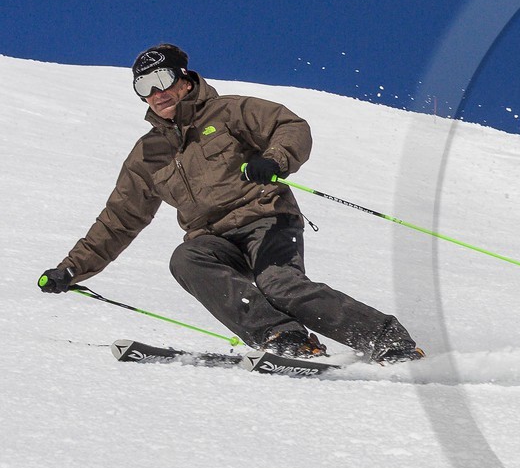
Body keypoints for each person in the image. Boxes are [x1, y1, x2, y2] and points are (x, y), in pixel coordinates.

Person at [36, 43, 423, 364]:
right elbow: (120, 218)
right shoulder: (147, 154)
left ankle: (386, 338)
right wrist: (71, 269)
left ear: (185, 79)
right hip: (212, 238)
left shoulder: (229, 112)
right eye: (145, 88)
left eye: (162, 80)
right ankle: (284, 338)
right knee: (186, 259)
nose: (157, 94)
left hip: (265, 217)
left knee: (280, 285)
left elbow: (290, 126)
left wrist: (274, 160)